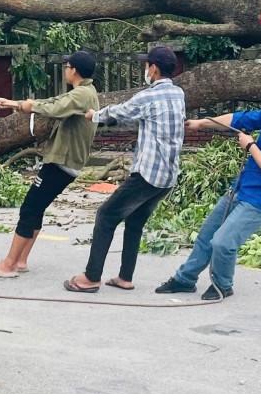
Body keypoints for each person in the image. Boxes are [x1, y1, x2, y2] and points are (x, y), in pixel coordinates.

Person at [155, 74, 261, 301]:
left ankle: (222, 285)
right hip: (240, 188)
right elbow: (238, 119)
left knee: (223, 242)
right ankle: (185, 279)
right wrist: (202, 122)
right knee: (206, 236)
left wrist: (250, 145)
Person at [63, 45, 185, 293]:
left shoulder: (148, 96)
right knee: (135, 221)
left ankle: (91, 277)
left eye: (147, 65)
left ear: (154, 68)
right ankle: (125, 277)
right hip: (168, 176)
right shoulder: (178, 94)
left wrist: (94, 115)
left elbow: (122, 111)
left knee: (106, 216)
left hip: (148, 175)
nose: (146, 70)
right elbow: (136, 117)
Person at [0, 51, 99, 279]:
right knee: (36, 208)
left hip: (61, 162)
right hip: (64, 161)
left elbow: (54, 108)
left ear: (73, 69)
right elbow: (55, 102)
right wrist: (16, 104)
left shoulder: (82, 94)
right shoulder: (83, 92)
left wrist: (26, 106)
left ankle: (8, 265)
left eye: (66, 66)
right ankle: (21, 260)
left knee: (29, 208)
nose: (65, 69)